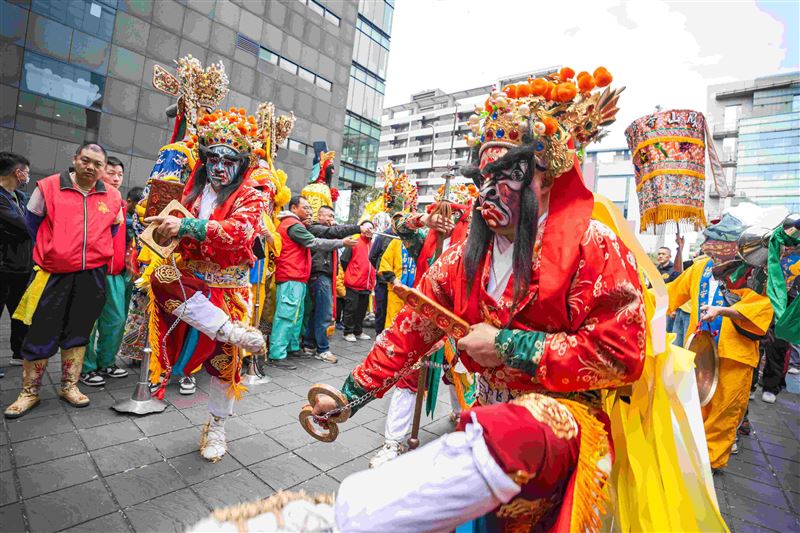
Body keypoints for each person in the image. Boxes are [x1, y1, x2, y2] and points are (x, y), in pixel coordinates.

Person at [309, 70, 650, 530]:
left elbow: (622, 354)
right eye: (484, 177)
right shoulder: (465, 253)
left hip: (558, 424)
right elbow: (410, 330)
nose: (491, 191)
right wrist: (348, 397)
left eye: (510, 175)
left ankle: (342, 516)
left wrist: (511, 346)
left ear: (546, 179)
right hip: (489, 420)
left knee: (510, 443)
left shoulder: (594, 245)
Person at [144, 106, 272, 462]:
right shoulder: (192, 193)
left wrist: (186, 227)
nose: (218, 166)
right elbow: (167, 228)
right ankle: (227, 331)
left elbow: (240, 232)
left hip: (229, 289)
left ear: (242, 164)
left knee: (224, 365)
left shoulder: (252, 195)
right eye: (212, 158)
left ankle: (217, 425)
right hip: (192, 284)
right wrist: (161, 226)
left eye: (228, 160)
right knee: (159, 277)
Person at [121, 55, 229, 396]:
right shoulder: (178, 152)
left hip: (207, 247)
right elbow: (157, 201)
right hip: (172, 245)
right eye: (203, 110)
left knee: (204, 308)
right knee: (167, 307)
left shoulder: (221, 159)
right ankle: (161, 368)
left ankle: (189, 366)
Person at [4, 143, 124, 418]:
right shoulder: (48, 187)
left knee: (79, 329)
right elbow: (31, 224)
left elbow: (114, 227)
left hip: (92, 275)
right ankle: (29, 392)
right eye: (86, 160)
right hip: (53, 273)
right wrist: (52, 251)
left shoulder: (114, 196)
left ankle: (69, 385)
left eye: (97, 163)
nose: (91, 167)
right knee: (41, 331)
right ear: (75, 159)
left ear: (103, 168)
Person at [667, 216, 773, 472]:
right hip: (700, 351)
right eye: (711, 244)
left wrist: (725, 312)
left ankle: (710, 464)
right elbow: (671, 293)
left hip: (735, 355)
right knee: (694, 407)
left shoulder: (755, 271)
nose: (713, 251)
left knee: (723, 413)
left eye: (719, 245)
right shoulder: (700, 268)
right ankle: (689, 458)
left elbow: (763, 307)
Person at [269, 196, 355, 370]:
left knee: (297, 315)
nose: (309, 211)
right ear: (294, 208)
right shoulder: (292, 224)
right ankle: (277, 354)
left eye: (310, 208)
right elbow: (314, 242)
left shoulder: (297, 224)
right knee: (286, 315)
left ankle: (292, 347)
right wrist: (341, 242)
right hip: (290, 275)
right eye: (305, 207)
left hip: (298, 276)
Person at [80, 156, 130, 386]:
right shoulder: (89, 199)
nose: (116, 178)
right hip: (91, 270)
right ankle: (85, 367)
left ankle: (106, 361)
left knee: (116, 320)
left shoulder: (121, 203)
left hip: (115, 273)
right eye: (111, 172)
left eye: (120, 174)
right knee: (88, 322)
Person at [303, 205, 365, 363]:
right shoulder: (315, 227)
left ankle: (309, 344)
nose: (331, 219)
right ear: (320, 215)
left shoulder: (326, 230)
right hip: (320, 274)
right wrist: (358, 227)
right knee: (324, 313)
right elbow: (334, 233)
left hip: (324, 275)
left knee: (317, 311)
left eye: (332, 216)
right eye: (328, 216)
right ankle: (322, 349)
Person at [0, 152, 33, 375]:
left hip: (21, 266)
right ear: (17, 172)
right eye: (26, 172)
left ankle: (18, 353)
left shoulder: (20, 197)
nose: (27, 176)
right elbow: (24, 224)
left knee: (20, 313)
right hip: (2, 266)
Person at [340, 220, 376, 342]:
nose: (369, 230)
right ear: (361, 228)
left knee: (361, 310)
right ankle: (348, 332)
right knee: (351, 308)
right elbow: (344, 260)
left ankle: (358, 331)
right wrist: (352, 273)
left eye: (371, 228)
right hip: (354, 282)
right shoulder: (354, 241)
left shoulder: (373, 245)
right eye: (367, 227)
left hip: (367, 284)